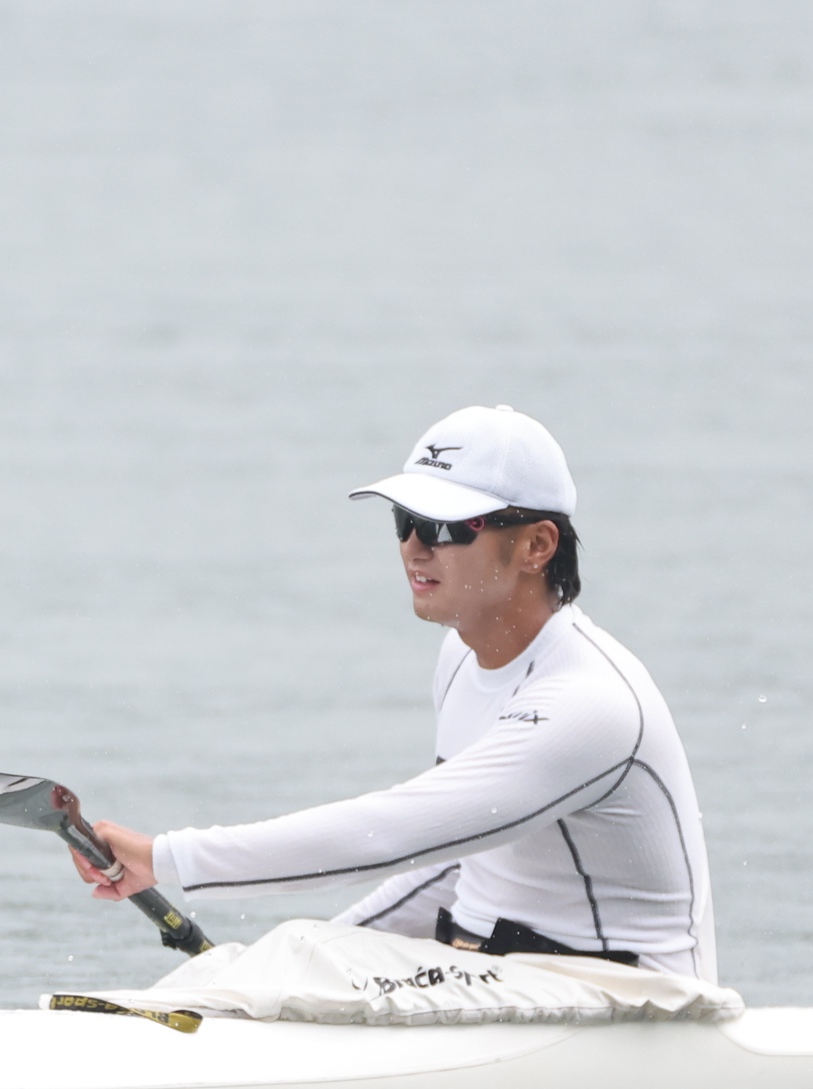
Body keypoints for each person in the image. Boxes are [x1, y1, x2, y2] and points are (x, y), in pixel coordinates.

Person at [78, 404, 718, 981]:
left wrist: (169, 858)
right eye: (404, 521)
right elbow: (453, 864)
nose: (414, 547)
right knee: (270, 961)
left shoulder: (589, 704)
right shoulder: (460, 657)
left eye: (446, 527)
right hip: (498, 974)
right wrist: (300, 960)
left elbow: (392, 833)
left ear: (536, 545)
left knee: (282, 963)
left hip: (631, 1000)